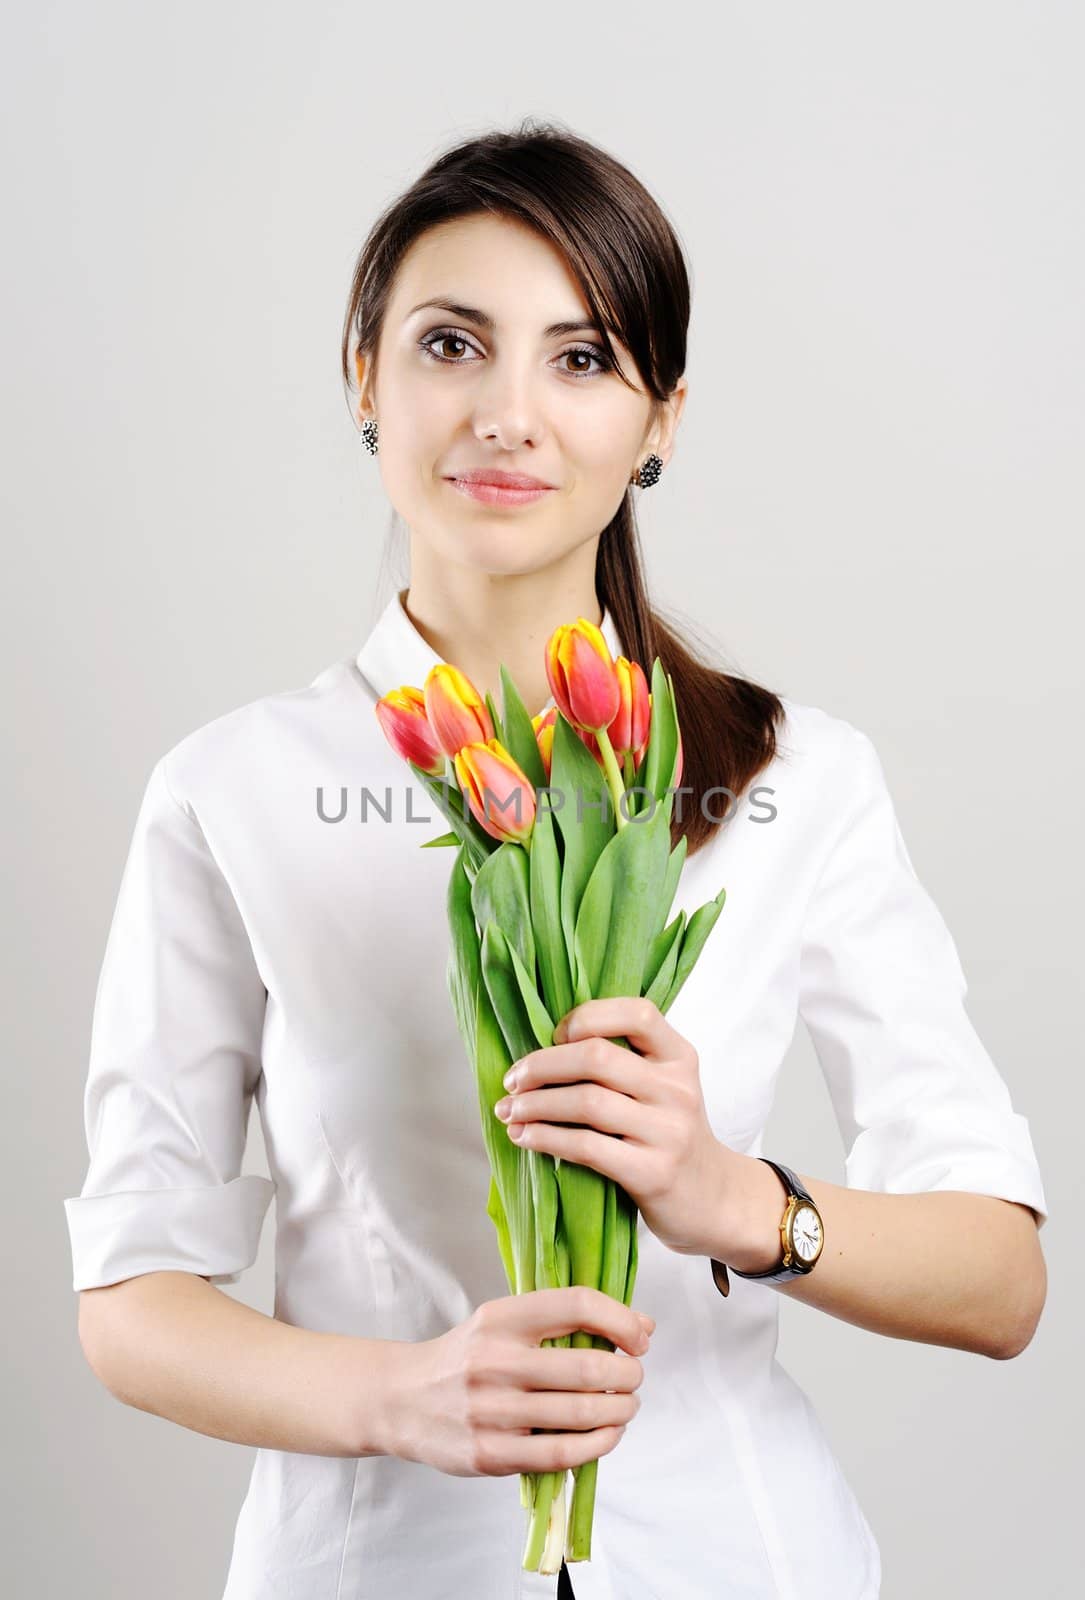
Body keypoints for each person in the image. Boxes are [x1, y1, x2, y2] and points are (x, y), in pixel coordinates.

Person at [64, 120, 1049, 1600]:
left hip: (740, 1559)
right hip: (379, 1563)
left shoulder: (794, 778)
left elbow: (999, 1278)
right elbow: (131, 1296)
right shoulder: (233, 793)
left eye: (581, 359)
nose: (509, 415)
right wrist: (395, 1399)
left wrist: (736, 1198)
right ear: (364, 383)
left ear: (660, 420)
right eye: (452, 345)